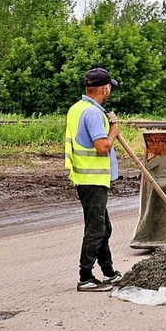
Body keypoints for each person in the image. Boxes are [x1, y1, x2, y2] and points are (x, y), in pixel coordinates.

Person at [64, 67, 123, 292]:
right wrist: (113, 131)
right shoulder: (93, 114)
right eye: (109, 88)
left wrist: (108, 123)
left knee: (103, 227)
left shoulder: (77, 108)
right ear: (105, 89)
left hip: (84, 177)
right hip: (93, 178)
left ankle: (108, 272)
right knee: (96, 229)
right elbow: (102, 147)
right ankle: (85, 277)